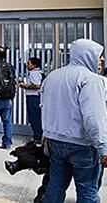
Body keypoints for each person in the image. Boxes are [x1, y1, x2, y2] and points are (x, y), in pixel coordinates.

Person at [41, 39, 107, 202]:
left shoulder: (53, 76)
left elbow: (44, 106)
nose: (102, 60)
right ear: (88, 56)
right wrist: (103, 146)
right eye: (99, 56)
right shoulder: (91, 80)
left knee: (55, 186)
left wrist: (46, 132)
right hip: (82, 145)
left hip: (55, 141)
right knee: (87, 191)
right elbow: (93, 117)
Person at [19, 57, 43, 142]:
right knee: (37, 117)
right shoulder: (39, 72)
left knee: (34, 118)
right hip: (36, 97)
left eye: (29, 63)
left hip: (33, 97)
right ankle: (38, 135)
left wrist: (25, 86)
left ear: (34, 65)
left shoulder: (34, 73)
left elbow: (37, 85)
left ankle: (37, 137)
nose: (27, 65)